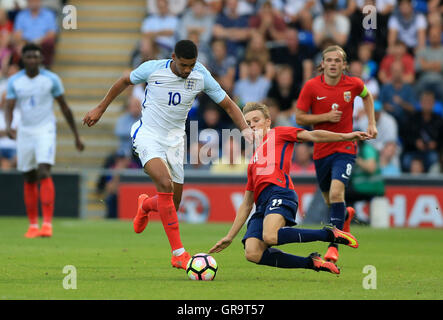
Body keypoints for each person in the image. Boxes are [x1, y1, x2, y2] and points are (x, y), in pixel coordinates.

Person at [83, 40, 254, 270]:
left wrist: (245, 129)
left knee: (173, 202)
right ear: (173, 57)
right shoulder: (153, 68)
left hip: (175, 142)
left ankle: (145, 206)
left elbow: (229, 105)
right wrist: (100, 108)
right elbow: (124, 80)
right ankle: (178, 254)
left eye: (191, 65)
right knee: (164, 184)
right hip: (148, 135)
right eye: (183, 65)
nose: (187, 70)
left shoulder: (201, 74)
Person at [209, 102, 369, 274]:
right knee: (252, 252)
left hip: (280, 192)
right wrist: (229, 236)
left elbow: (313, 135)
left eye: (256, 120)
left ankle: (328, 234)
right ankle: (311, 262)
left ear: (268, 121)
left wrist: (346, 137)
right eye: (247, 123)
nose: (252, 125)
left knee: (270, 235)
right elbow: (247, 203)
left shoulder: (279, 133)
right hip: (262, 205)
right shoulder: (253, 161)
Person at [295, 45, 377, 263]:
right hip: (321, 150)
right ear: (322, 64)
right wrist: (325, 116)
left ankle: (334, 247)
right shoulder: (311, 87)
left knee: (336, 193)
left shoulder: (354, 84)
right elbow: (300, 118)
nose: (332, 64)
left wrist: (371, 123)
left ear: (344, 65)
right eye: (328, 60)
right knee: (330, 200)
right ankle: (346, 218)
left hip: (346, 148)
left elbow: (367, 97)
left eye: (337, 60)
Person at [5, 43, 84, 238]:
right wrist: (8, 126)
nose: (32, 60)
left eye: (36, 57)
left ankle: (47, 224)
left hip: (45, 130)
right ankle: (33, 225)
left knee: (43, 171)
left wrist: (76, 135)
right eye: (29, 57)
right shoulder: (15, 81)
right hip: (25, 132)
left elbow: (64, 107)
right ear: (23, 59)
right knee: (29, 176)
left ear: (41, 59)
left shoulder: (51, 79)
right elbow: (9, 106)